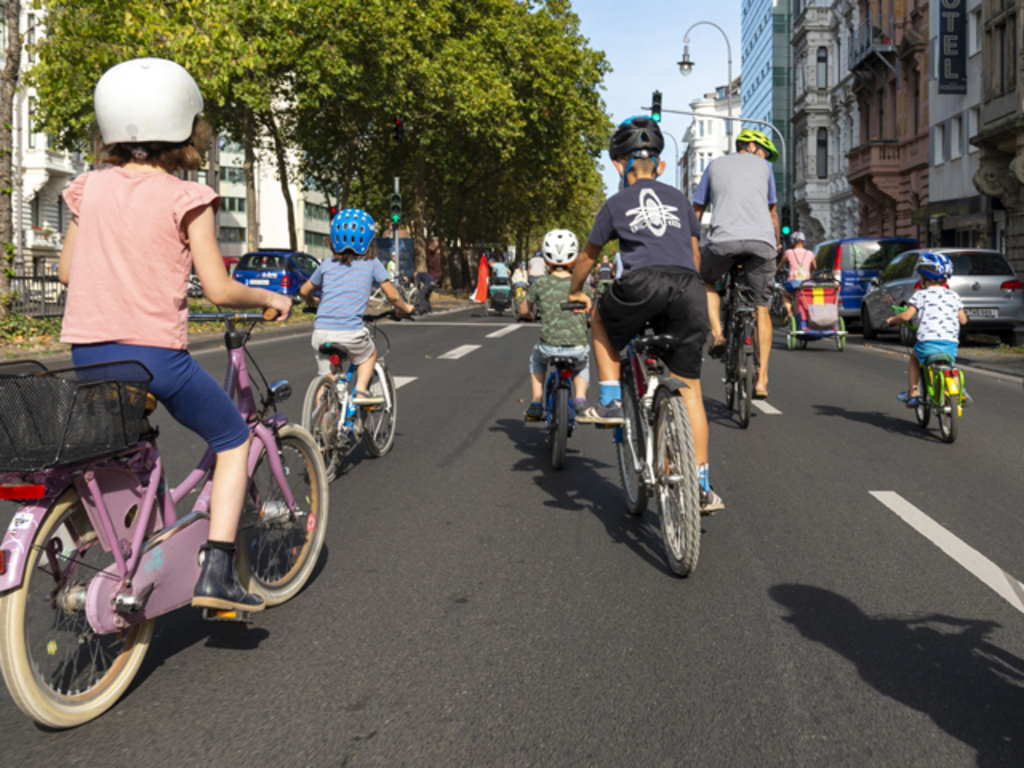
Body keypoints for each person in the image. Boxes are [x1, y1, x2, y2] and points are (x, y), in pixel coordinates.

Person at [58, 58, 294, 613]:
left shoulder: (85, 189)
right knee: (234, 440)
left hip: (88, 355)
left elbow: (68, 272)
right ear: (187, 129)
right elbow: (217, 289)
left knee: (120, 454)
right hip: (155, 357)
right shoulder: (187, 197)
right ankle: (216, 570)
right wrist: (268, 296)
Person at [569, 115, 722, 512]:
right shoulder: (681, 202)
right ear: (662, 166)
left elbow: (589, 256)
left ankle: (609, 401)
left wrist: (575, 291)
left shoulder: (616, 202)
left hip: (640, 285)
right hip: (688, 289)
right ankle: (702, 485)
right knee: (691, 390)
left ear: (619, 165)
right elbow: (693, 256)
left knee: (600, 317)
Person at [692, 128, 782, 400]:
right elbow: (773, 213)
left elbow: (696, 210)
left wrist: (692, 246)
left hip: (723, 243)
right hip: (761, 243)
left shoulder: (714, 165)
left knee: (705, 280)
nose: (765, 156)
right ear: (752, 146)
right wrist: (776, 243)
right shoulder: (765, 168)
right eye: (764, 151)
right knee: (761, 308)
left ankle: (718, 335)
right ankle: (762, 379)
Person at [299, 209, 414, 404]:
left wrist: (311, 300)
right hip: (350, 333)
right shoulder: (372, 263)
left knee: (326, 380)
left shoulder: (326, 264)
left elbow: (303, 291)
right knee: (369, 355)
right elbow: (393, 296)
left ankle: (320, 428)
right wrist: (405, 308)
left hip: (321, 333)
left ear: (332, 241)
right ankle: (361, 391)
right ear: (370, 241)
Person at [521, 229, 592, 420]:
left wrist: (529, 316)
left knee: (536, 359)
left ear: (545, 258)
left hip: (548, 347)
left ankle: (536, 403)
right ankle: (580, 399)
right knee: (582, 363)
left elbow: (523, 310)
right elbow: (592, 310)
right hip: (576, 347)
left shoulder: (540, 283)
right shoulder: (583, 285)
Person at [885, 252, 969, 407]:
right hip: (950, 345)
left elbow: (905, 316)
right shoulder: (954, 296)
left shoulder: (921, 295)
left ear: (924, 276)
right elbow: (963, 320)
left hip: (927, 345)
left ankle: (913, 394)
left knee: (914, 358)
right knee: (950, 366)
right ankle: (957, 391)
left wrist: (891, 321)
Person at [777, 230, 815, 319]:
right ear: (803, 242)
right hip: (806, 283)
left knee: (785, 295)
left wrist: (778, 269)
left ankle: (790, 313)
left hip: (792, 283)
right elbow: (814, 266)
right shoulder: (810, 253)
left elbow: (780, 265)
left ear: (793, 242)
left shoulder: (788, 252)